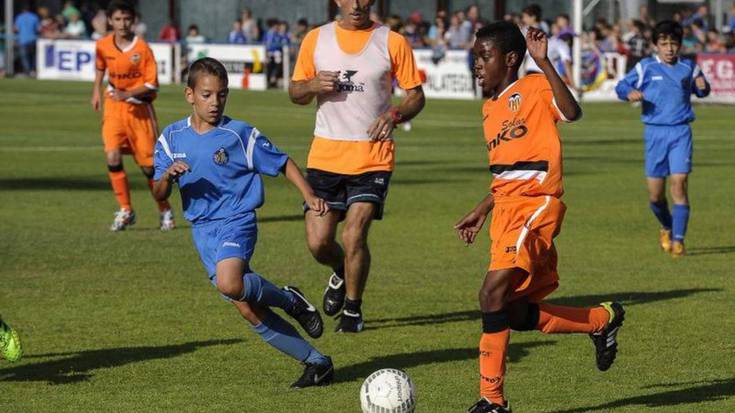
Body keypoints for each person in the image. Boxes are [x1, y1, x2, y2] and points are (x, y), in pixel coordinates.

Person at [456, 22, 625, 412]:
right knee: (512, 312)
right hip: (506, 213)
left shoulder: (532, 86)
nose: (477, 64)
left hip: (536, 205)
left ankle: (492, 401)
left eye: (485, 56)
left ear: (510, 59)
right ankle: (601, 320)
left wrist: (545, 62)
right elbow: (506, 175)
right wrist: (482, 210)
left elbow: (572, 111)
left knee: (490, 294)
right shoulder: (489, 110)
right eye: (476, 57)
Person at [152, 57, 333, 388]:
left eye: (222, 95)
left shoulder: (238, 134)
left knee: (230, 283)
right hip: (202, 231)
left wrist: (308, 194)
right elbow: (157, 191)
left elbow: (282, 162)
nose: (215, 102)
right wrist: (166, 176)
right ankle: (317, 362)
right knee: (248, 309)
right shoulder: (171, 138)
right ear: (189, 94)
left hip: (236, 219)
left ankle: (291, 301)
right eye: (207, 95)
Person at [289, 0, 425, 333]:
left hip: (372, 156)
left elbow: (415, 95)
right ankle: (340, 271)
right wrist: (310, 86)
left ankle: (352, 310)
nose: (357, 4)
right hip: (325, 156)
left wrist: (394, 115)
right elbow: (295, 91)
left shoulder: (391, 41)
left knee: (353, 234)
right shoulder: (316, 39)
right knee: (319, 242)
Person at [615, 21, 710, 257]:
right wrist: (629, 92)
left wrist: (703, 85)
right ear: (655, 45)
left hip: (680, 132)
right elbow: (621, 85)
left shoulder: (689, 68)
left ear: (679, 45)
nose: (669, 49)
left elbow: (702, 90)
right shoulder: (645, 67)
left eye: (673, 44)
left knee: (679, 186)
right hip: (655, 134)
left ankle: (679, 241)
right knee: (656, 196)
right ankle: (667, 227)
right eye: (664, 44)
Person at [91, 0, 175, 231]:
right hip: (114, 108)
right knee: (113, 156)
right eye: (117, 19)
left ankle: (165, 209)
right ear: (110, 20)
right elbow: (100, 66)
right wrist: (96, 91)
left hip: (139, 111)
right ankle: (126, 209)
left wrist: (126, 93)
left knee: (149, 168)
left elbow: (152, 84)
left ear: (133, 20)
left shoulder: (142, 49)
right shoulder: (103, 45)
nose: (122, 23)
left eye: (126, 18)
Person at [13, 4, 40, 76]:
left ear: (22, 11)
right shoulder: (34, 17)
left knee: (24, 57)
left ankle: (27, 72)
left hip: (23, 40)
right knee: (33, 56)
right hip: (33, 39)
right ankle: (33, 70)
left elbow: (16, 29)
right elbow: (38, 29)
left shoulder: (19, 17)